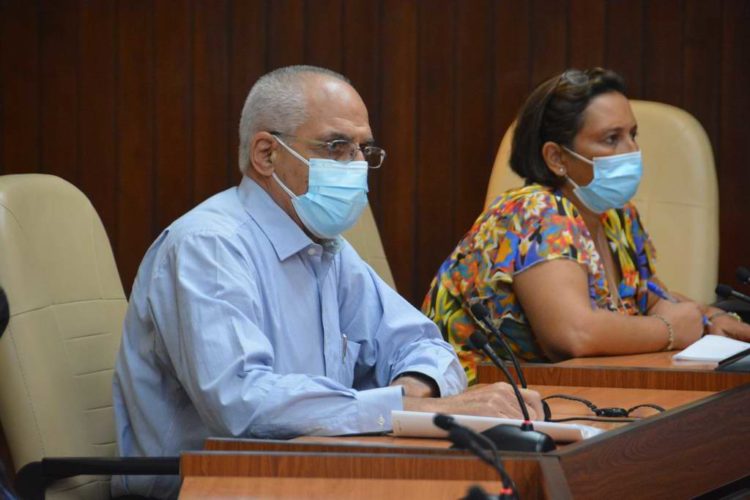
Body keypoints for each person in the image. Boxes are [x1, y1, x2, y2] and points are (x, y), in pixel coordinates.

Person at [112, 65, 542, 499]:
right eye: (337, 147)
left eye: (363, 150)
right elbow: (243, 403)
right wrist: (401, 408)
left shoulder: (327, 248)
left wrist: (414, 391)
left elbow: (425, 346)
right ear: (266, 154)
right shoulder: (208, 246)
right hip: (209, 487)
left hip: (309, 473)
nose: (357, 166)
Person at [423, 67, 750, 383]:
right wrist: (669, 330)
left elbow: (648, 298)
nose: (632, 151)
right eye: (611, 139)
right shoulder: (536, 213)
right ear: (556, 158)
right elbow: (573, 335)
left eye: (632, 135)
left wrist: (710, 318)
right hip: (472, 395)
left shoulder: (615, 215)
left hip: (556, 391)